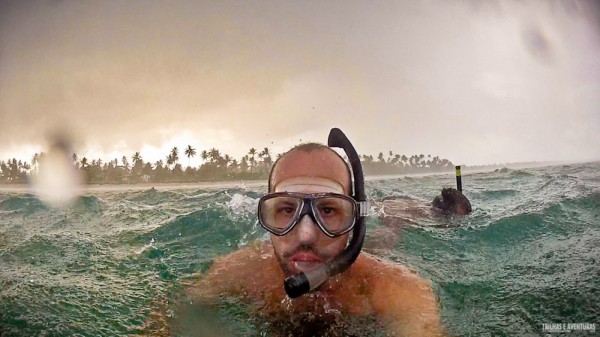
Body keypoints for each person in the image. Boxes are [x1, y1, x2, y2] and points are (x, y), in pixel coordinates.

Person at [182, 130, 446, 336]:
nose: (306, 235)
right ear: (267, 215)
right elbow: (176, 314)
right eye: (286, 209)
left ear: (355, 220)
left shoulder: (395, 290)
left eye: (328, 210)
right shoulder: (237, 272)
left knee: (385, 241)